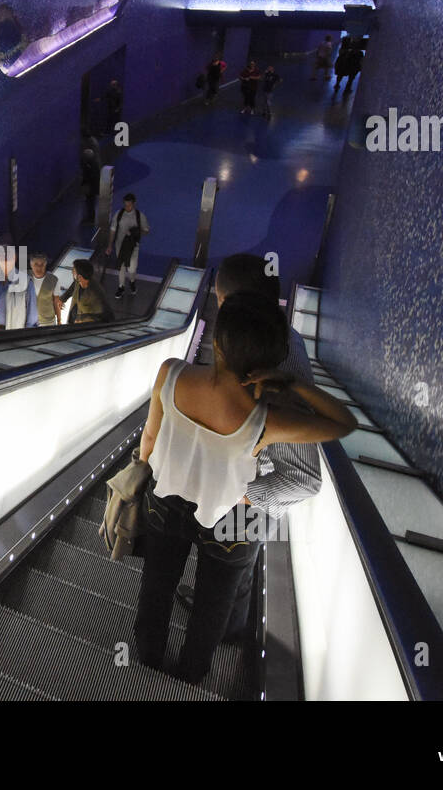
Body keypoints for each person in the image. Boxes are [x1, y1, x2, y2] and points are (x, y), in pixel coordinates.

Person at [132, 292, 357, 682]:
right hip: (231, 520)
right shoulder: (265, 420)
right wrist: (293, 385)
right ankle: (191, 674)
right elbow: (343, 423)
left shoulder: (170, 373)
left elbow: (149, 441)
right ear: (268, 363)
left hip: (164, 502)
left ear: (216, 340)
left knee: (156, 585)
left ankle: (148, 657)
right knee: (213, 605)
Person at [175, 253, 322, 639]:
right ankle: (227, 619)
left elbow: (305, 480)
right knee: (228, 566)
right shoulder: (268, 343)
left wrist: (242, 493)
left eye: (221, 302)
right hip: (242, 486)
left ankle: (224, 630)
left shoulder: (281, 367)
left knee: (231, 564)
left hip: (250, 496)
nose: (219, 310)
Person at [107, 193, 150, 298]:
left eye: (129, 205)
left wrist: (135, 231)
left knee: (131, 268)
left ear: (134, 204)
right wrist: (109, 246)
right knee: (121, 267)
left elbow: (146, 231)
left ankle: (132, 281)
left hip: (133, 247)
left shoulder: (140, 216)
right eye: (125, 205)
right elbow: (112, 230)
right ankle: (121, 286)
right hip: (119, 246)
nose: (127, 207)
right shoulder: (119, 214)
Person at [0, 247, 38, 330]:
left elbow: (32, 317)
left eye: (9, 255)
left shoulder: (26, 281)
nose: (5, 258)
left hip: (12, 334)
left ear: (15, 258)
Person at [60, 258, 114, 323]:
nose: (72, 272)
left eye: (74, 270)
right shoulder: (78, 281)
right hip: (73, 320)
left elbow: (106, 315)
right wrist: (62, 299)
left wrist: (83, 318)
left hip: (84, 326)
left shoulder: (96, 293)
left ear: (79, 277)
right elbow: (72, 287)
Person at [29, 252, 63, 326]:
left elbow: (56, 301)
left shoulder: (53, 279)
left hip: (47, 322)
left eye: (42, 265)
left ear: (45, 265)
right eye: (36, 264)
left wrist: (59, 320)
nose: (39, 267)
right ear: (31, 265)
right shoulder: (25, 277)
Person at [79, 145, 100, 228]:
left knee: (90, 203)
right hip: (93, 188)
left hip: (91, 188)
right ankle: (90, 218)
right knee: (90, 202)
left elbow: (89, 177)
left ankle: (91, 219)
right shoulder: (94, 164)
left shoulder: (90, 166)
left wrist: (85, 185)